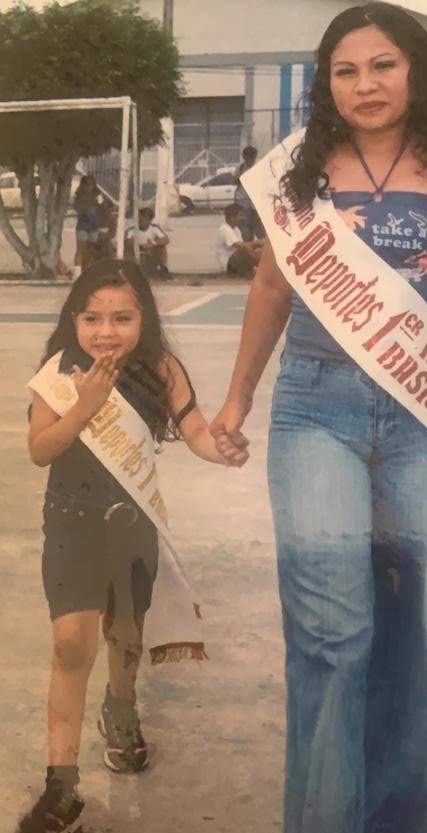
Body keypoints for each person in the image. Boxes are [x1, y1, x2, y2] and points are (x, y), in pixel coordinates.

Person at [210, 5, 427, 833]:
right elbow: (273, 289)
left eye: (383, 65)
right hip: (316, 408)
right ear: (327, 82)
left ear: (417, 70)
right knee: (331, 634)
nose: (366, 85)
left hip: (425, 424)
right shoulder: (300, 168)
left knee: (408, 642)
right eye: (347, 70)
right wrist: (239, 396)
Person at [18, 259, 248, 833]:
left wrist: (222, 448)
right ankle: (61, 785)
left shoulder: (163, 370)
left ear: (143, 318)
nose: (106, 330)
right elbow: (40, 450)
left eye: (122, 317)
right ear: (73, 319)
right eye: (92, 317)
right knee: (71, 645)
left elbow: (194, 431)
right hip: (71, 523)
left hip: (132, 527)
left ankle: (121, 708)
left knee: (125, 638)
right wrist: (85, 406)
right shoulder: (57, 375)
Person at [215, 203, 263, 277]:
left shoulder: (236, 229)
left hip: (237, 263)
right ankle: (265, 269)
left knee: (259, 250)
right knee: (245, 249)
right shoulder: (225, 229)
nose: (243, 218)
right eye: (240, 215)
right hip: (229, 266)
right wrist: (259, 243)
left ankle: (262, 269)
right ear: (232, 218)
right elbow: (241, 247)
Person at [125, 207, 171, 278]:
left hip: (151, 252)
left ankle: (162, 269)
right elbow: (127, 241)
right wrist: (136, 244)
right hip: (136, 252)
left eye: (143, 218)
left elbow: (166, 239)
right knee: (127, 250)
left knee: (161, 247)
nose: (140, 220)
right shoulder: (132, 230)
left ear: (149, 219)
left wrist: (153, 244)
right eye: (139, 218)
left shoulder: (154, 228)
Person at [234, 145, 266, 241]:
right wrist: (238, 177)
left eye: (250, 159)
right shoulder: (240, 168)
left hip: (257, 206)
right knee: (245, 234)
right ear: (244, 157)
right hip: (243, 205)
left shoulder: (260, 167)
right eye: (246, 158)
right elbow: (233, 182)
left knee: (261, 233)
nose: (249, 161)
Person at [73, 175, 102, 277]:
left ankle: (89, 273)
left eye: (92, 184)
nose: (90, 187)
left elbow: (103, 205)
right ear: (83, 185)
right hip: (83, 225)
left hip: (94, 225)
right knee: (81, 249)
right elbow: (79, 209)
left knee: (91, 250)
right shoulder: (79, 196)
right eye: (87, 184)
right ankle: (77, 274)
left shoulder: (97, 195)